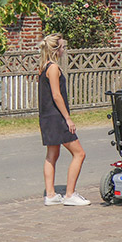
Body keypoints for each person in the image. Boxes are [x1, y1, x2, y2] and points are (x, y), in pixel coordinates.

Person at [38, 34, 90, 206]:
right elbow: (56, 95)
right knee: (79, 153)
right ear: (55, 49)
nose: (63, 50)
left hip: (46, 117)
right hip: (56, 118)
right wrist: (68, 118)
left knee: (52, 155)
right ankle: (69, 194)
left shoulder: (43, 67)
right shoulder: (53, 68)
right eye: (62, 47)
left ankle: (51, 195)